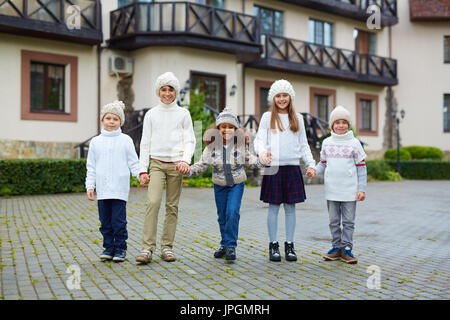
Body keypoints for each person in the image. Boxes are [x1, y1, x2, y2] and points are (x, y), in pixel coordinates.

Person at [184, 107, 267, 261]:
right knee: (222, 216)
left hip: (236, 184)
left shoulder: (240, 145)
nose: (227, 130)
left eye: (230, 127)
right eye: (223, 127)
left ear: (235, 130)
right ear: (218, 129)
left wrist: (262, 161)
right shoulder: (211, 148)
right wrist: (188, 170)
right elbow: (202, 164)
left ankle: (231, 246)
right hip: (219, 185)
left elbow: (250, 160)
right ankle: (224, 243)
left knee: (232, 212)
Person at [136, 72, 196, 264]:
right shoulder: (151, 114)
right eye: (164, 89)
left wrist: (186, 160)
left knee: (172, 207)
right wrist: (142, 169)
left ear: (176, 92)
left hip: (177, 166)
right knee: (153, 202)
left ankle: (167, 247)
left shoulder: (183, 113)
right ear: (158, 91)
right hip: (156, 165)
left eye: (171, 89)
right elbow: (145, 143)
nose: (167, 93)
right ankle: (147, 248)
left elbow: (190, 140)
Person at [254, 79, 316, 262]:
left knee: (290, 208)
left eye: (285, 95)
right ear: (273, 98)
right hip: (273, 167)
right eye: (278, 96)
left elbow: (304, 145)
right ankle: (273, 245)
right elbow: (259, 140)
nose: (281, 99)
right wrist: (262, 153)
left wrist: (311, 164)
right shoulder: (267, 118)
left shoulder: (298, 119)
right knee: (273, 207)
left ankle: (290, 245)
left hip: (292, 168)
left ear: (290, 97)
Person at [86, 100, 140, 263]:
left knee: (118, 221)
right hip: (102, 190)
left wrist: (140, 175)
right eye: (108, 118)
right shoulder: (96, 142)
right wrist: (90, 186)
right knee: (105, 222)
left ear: (121, 122)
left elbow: (133, 162)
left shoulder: (126, 140)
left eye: (115, 119)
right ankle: (108, 247)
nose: (111, 122)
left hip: (119, 189)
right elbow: (91, 166)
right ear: (102, 120)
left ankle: (120, 248)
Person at [314, 105, 367, 264]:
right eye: (337, 122)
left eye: (344, 122)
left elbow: (361, 167)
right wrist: (314, 171)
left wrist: (361, 189)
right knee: (334, 221)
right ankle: (336, 248)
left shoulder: (355, 143)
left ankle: (347, 249)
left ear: (349, 125)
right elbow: (323, 163)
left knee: (349, 221)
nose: (341, 125)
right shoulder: (327, 143)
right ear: (332, 125)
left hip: (350, 190)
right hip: (332, 190)